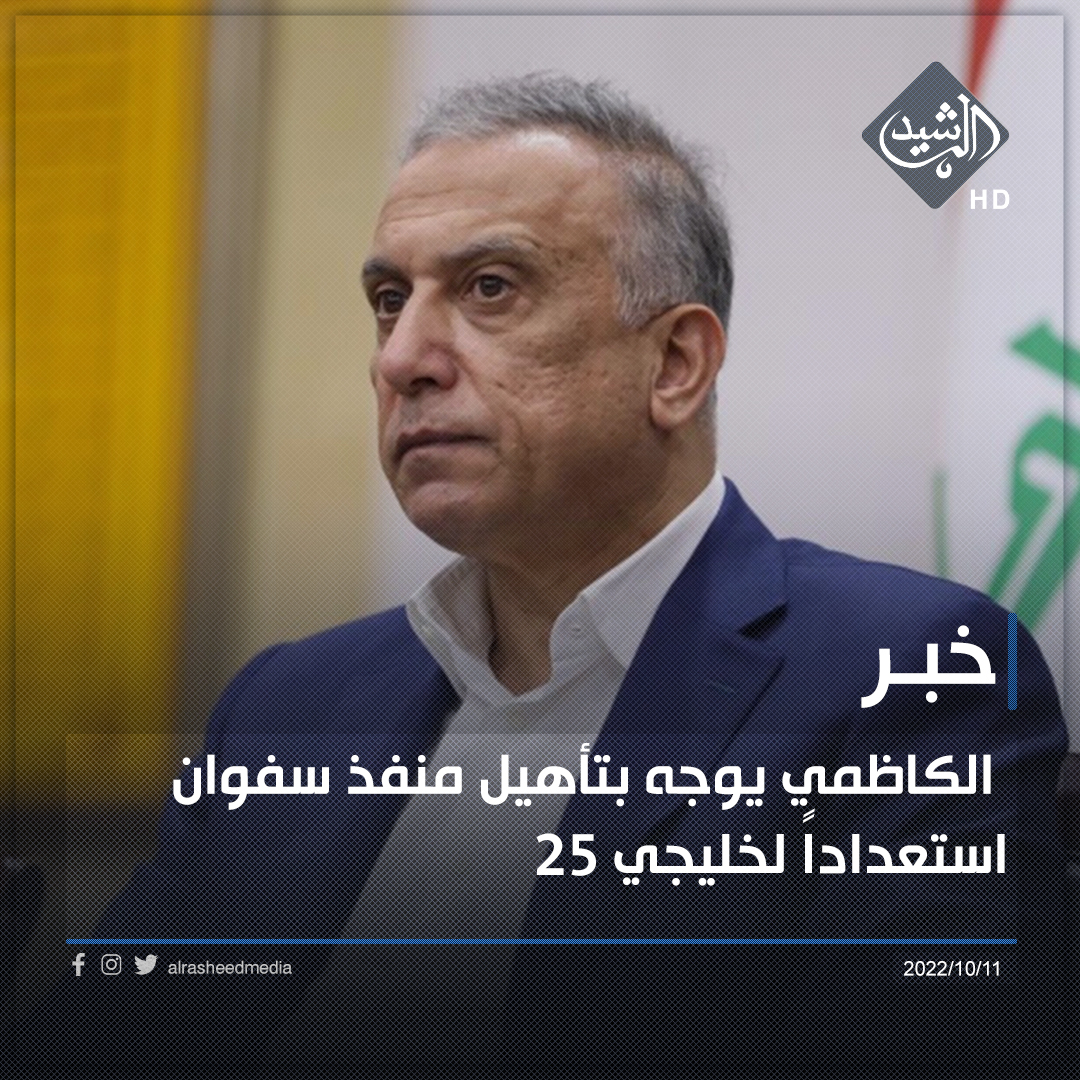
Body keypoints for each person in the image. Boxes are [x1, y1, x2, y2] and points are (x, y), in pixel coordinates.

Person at [22, 73, 1065, 1067]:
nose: (400, 359)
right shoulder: (288, 706)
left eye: (489, 288)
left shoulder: (911, 678)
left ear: (675, 365)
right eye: (389, 299)